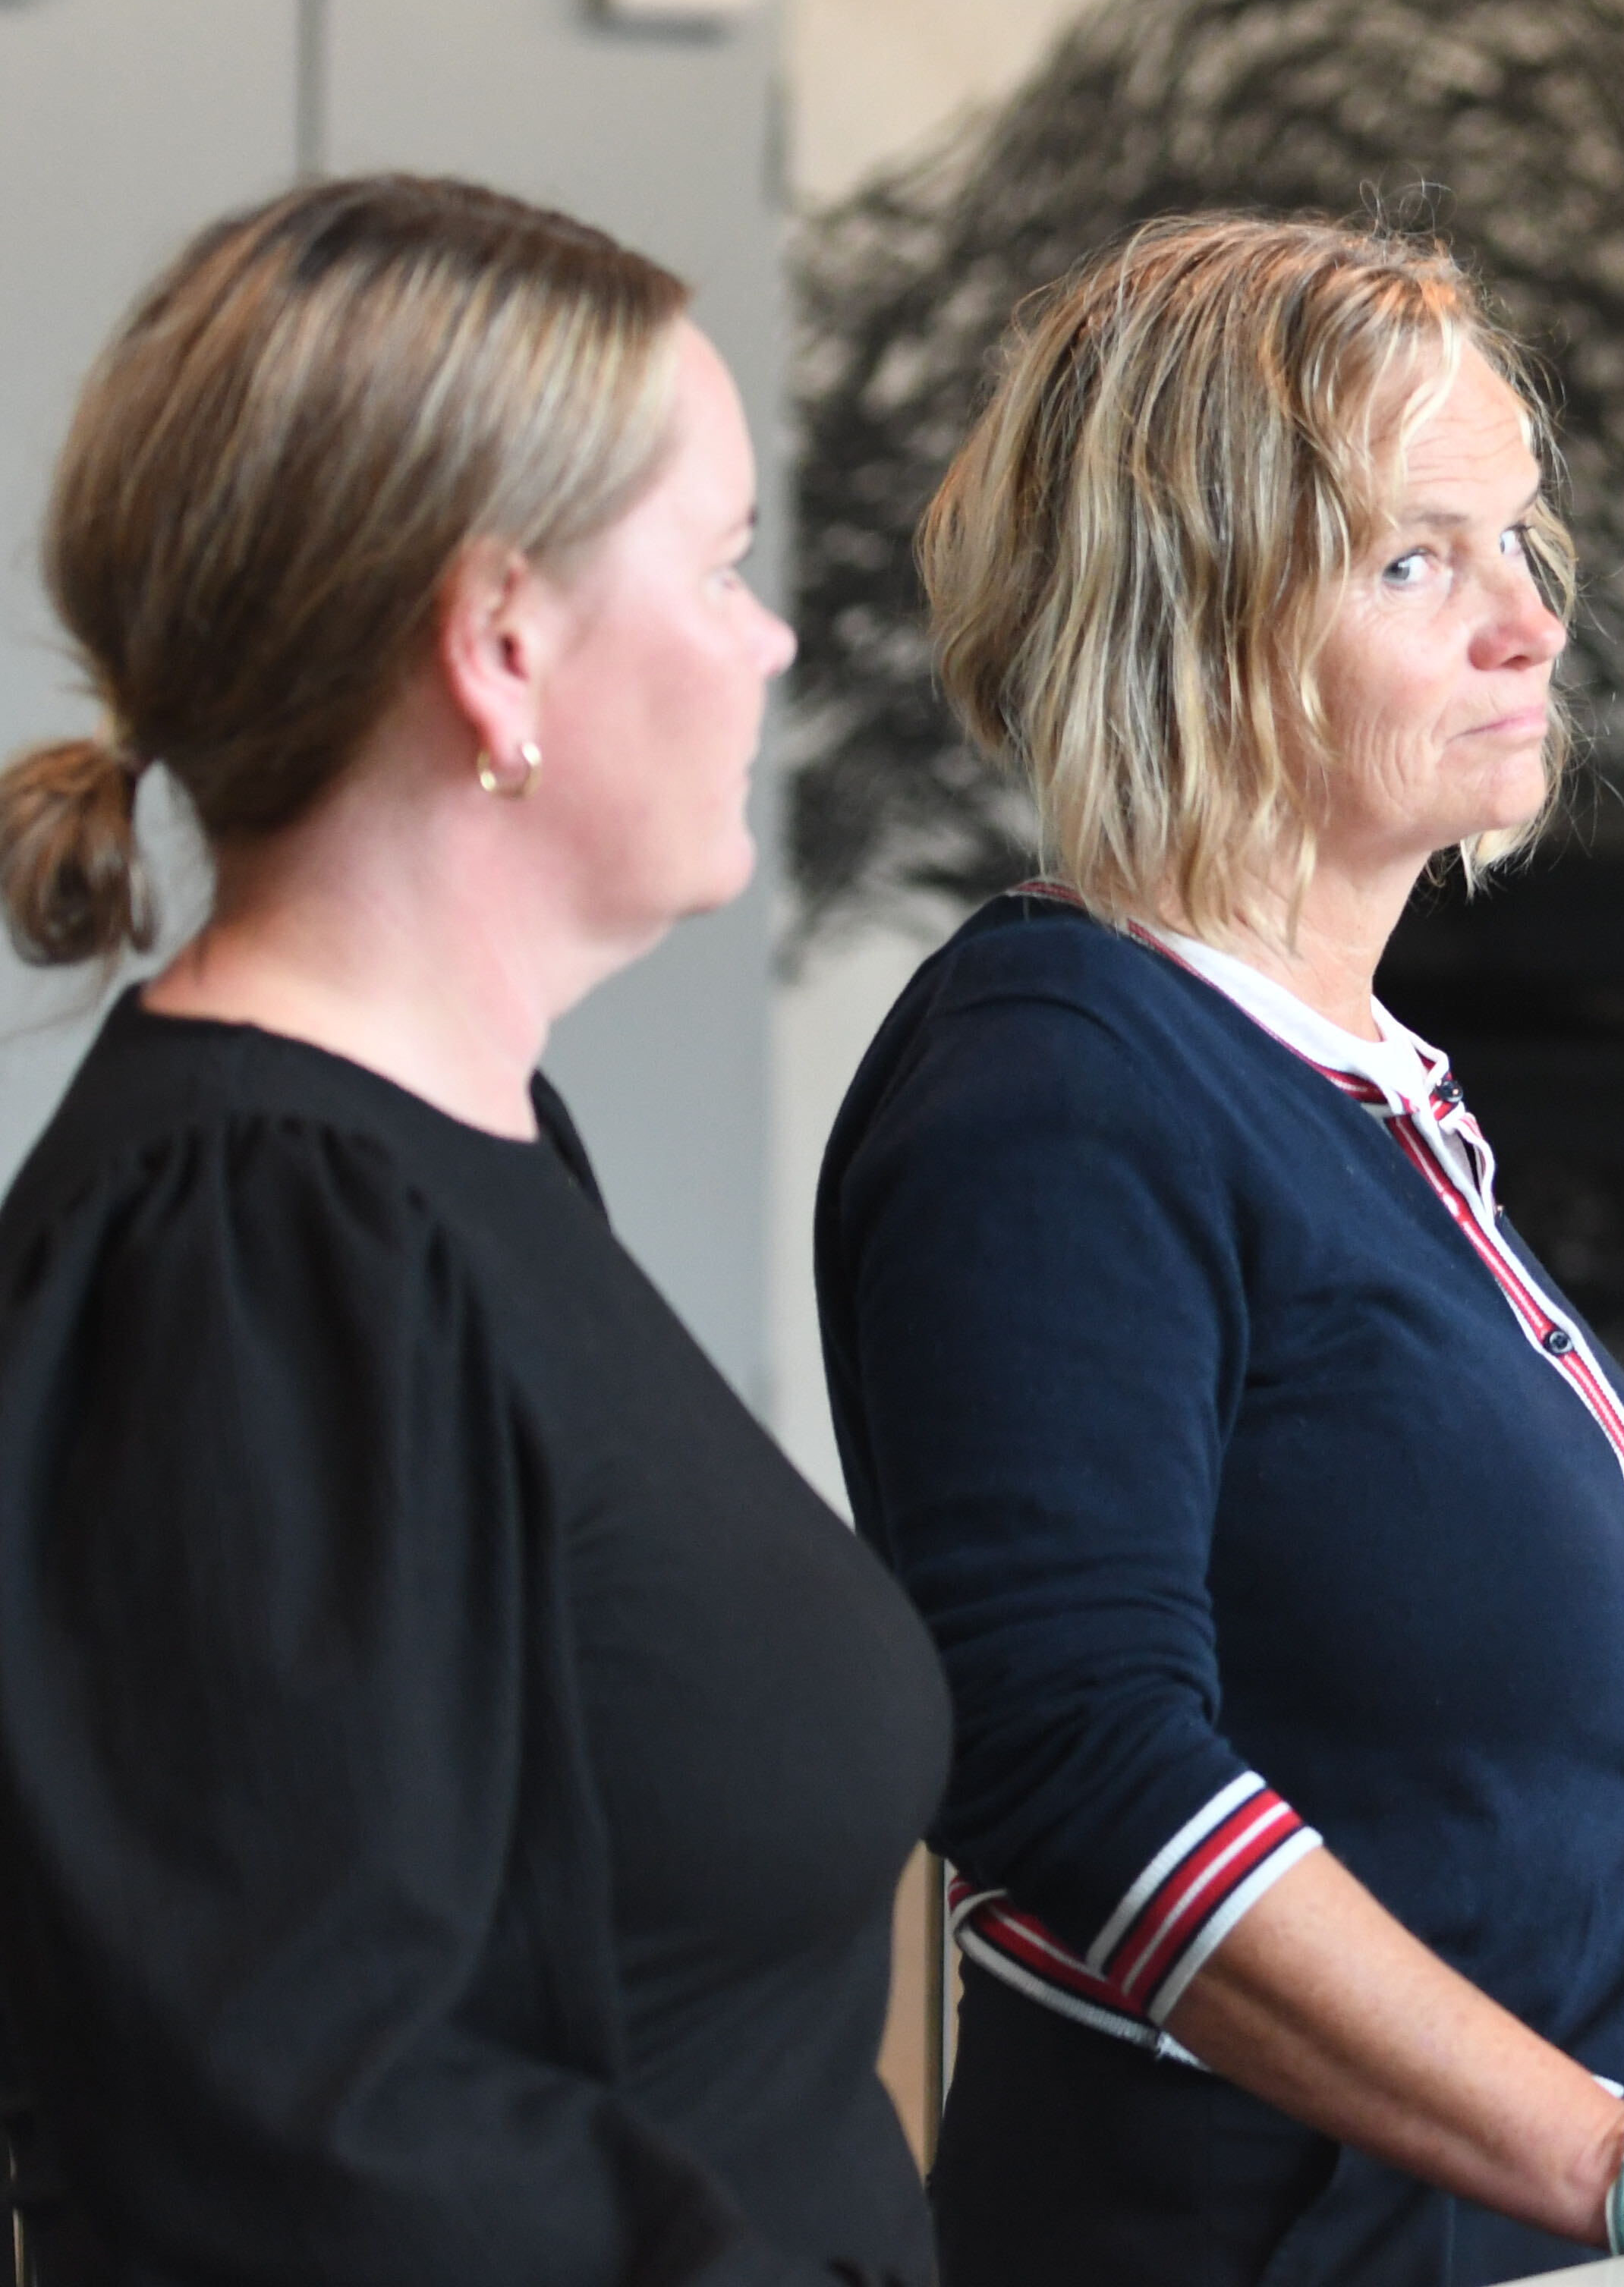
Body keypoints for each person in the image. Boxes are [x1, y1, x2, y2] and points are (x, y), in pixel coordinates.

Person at [816, 214, 1624, 2287]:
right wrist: (1622, 2154)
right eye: (1417, 562)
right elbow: (1075, 1763)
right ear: (1185, 615)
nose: (1529, 623)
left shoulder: (1334, 1066)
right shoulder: (1056, 1088)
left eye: (1520, 541)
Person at [0, 176, 943, 2283]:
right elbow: (333, 2144)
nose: (774, 640)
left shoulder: (458, 1167)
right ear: (501, 645)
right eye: (719, 566)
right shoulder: (253, 1252)